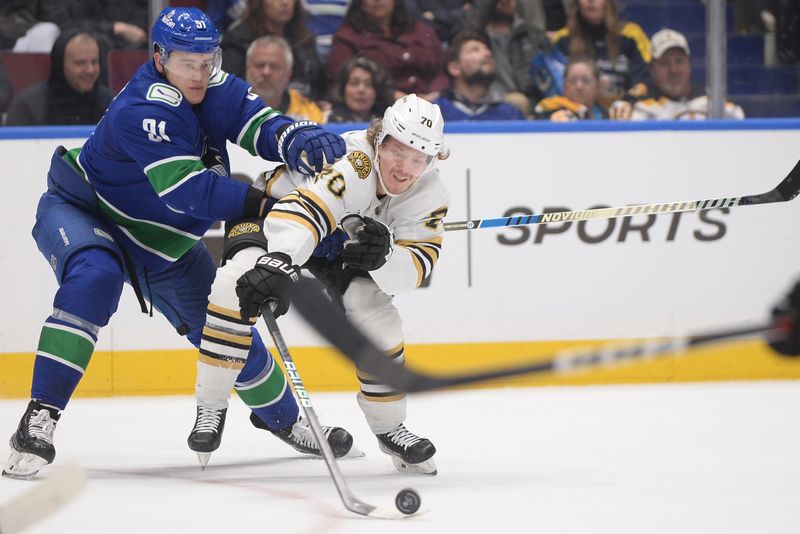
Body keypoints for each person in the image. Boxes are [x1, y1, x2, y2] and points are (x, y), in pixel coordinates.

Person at [2, 7, 348, 480]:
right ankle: (38, 418)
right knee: (95, 280)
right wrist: (267, 203)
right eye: (189, 62)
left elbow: (255, 120)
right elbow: (191, 191)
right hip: (86, 208)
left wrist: (293, 135)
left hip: (161, 240)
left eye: (208, 60)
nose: (201, 73)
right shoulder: (143, 107)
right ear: (160, 58)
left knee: (225, 324)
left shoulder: (212, 83)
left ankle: (287, 421)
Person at [193, 94, 450, 475]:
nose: (405, 168)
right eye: (399, 152)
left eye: (418, 158)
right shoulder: (353, 162)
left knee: (378, 318)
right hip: (273, 216)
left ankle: (389, 427)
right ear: (380, 140)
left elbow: (414, 268)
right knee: (235, 285)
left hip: (336, 244)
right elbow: (305, 213)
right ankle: (210, 407)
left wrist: (384, 258)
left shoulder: (430, 193)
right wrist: (279, 261)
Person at [609, 29, 745, 121]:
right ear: (652, 69)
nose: (673, 70)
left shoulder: (710, 100)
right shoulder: (639, 106)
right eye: (664, 63)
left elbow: (739, 120)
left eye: (679, 61)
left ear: (689, 65)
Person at [326, 0, 448, 101]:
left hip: (433, 102)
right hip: (380, 109)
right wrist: (389, 95)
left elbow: (442, 70)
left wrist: (435, 93)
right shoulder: (347, 36)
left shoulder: (419, 29)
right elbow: (342, 80)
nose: (377, 0)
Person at [452, 0, 552, 113]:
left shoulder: (532, 35)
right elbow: (466, 32)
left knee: (519, 101)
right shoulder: (476, 36)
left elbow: (548, 81)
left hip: (529, 105)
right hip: (485, 101)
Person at [551, 0, 651, 107]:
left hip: (624, 113)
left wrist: (628, 102)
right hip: (575, 115)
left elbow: (647, 79)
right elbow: (553, 87)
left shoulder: (631, 35)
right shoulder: (562, 39)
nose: (591, 1)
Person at [5, 30, 114, 126]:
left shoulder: (112, 104)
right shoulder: (28, 105)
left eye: (94, 62)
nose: (90, 70)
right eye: (80, 63)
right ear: (60, 65)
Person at [221, 0, 325, 99]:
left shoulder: (304, 38)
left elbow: (318, 85)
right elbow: (229, 88)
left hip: (303, 111)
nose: (285, 2)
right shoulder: (237, 40)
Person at [435, 31, 527, 120]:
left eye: (487, 49)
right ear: (454, 68)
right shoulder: (434, 113)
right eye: (475, 50)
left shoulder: (511, 113)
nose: (488, 53)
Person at [245, 35, 326, 123]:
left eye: (275, 67)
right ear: (247, 68)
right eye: (259, 65)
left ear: (289, 73)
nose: (266, 72)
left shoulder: (309, 113)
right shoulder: (231, 105)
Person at [39, 0, 149, 50]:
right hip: (73, 50)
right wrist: (114, 27)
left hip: (124, 50)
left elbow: (142, 12)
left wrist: (136, 29)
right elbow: (61, 25)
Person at [534, 57, 606, 120]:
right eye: (573, 81)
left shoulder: (610, 117)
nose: (579, 86)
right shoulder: (548, 115)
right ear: (564, 86)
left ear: (597, 87)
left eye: (585, 80)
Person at [327, 56, 395, 123]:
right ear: (342, 88)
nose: (361, 89)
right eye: (354, 83)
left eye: (368, 84)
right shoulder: (326, 119)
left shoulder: (388, 122)